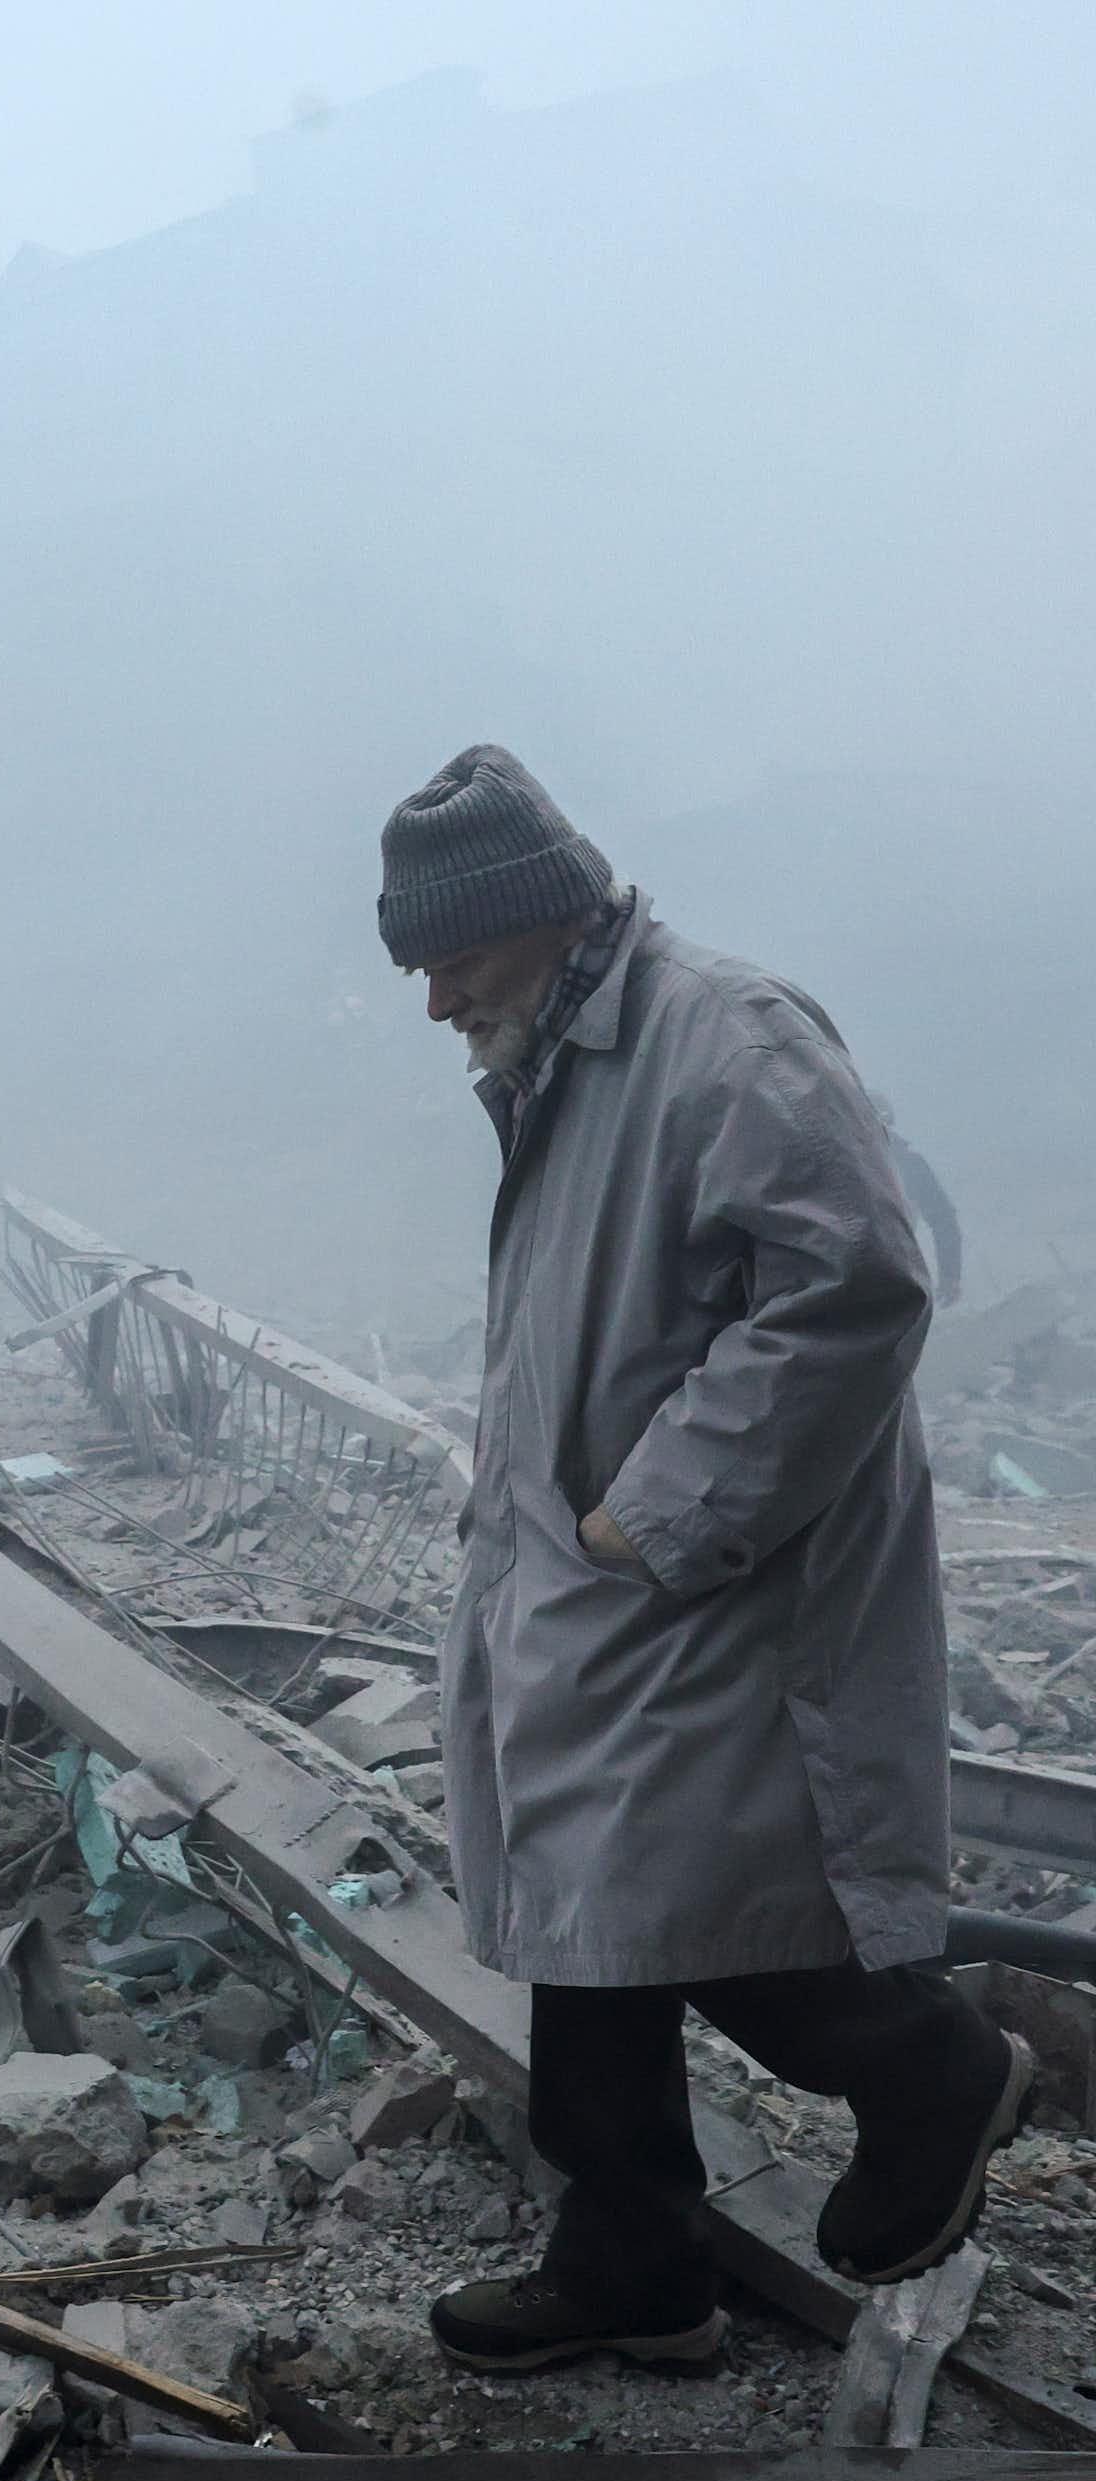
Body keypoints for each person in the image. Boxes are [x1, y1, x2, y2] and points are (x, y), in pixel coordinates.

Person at [375, 743, 1028, 2378]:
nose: (436, 997)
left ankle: (924, 2065)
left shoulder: (728, 1036)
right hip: (606, 1570)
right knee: (586, 1907)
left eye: (452, 956)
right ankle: (631, 2259)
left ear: (541, 918)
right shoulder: (570, 1056)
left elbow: (856, 1287)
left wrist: (655, 1513)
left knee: (675, 1895)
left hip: (725, 1565)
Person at [870, 1092, 965, 1310]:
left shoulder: (909, 1165)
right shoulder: (906, 1164)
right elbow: (944, 1220)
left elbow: (943, 1219)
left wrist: (950, 1276)